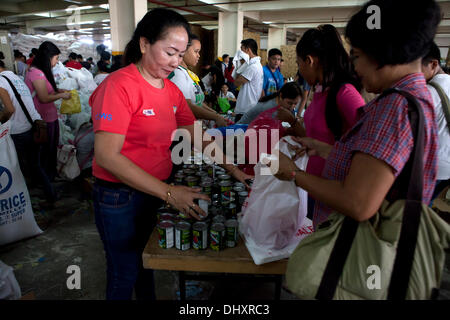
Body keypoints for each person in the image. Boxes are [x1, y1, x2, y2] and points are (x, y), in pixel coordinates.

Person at [89, 8, 252, 300]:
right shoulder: (118, 86)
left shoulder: (169, 89)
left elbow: (197, 135)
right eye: (170, 52)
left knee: (146, 263)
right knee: (123, 271)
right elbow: (107, 156)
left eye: (180, 54)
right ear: (144, 44)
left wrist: (233, 169)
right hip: (120, 197)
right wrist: (169, 193)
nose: (176, 61)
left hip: (153, 191)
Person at [273, 0, 440, 231]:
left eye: (358, 57)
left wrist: (292, 172)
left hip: (360, 247)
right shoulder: (415, 97)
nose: (356, 69)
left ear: (382, 54)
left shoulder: (394, 106)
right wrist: (326, 149)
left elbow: (358, 203)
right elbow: (374, 162)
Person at [294, 24, 366, 219]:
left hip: (335, 190)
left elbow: (366, 148)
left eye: (298, 63)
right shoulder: (319, 91)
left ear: (309, 61)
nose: (299, 70)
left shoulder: (345, 94)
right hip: (317, 185)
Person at [25, 41, 71, 206]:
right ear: (48, 57)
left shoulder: (44, 72)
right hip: (42, 120)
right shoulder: (36, 73)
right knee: (44, 153)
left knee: (51, 151)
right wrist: (61, 97)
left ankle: (49, 179)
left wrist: (59, 91)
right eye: (56, 58)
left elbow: (48, 91)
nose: (57, 61)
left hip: (51, 118)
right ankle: (44, 184)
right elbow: (43, 98)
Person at [169, 33, 228, 127]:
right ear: (183, 51)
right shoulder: (178, 75)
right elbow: (188, 106)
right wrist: (215, 117)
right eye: (196, 51)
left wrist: (216, 114)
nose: (198, 56)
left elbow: (198, 103)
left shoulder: (187, 73)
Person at [0, 59, 42, 182]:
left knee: (19, 167)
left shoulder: (1, 81)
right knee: (34, 165)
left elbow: (9, 110)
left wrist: (1, 121)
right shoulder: (17, 78)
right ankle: (49, 194)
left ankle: (26, 193)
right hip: (30, 126)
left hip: (16, 131)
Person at [421, 42, 450, 203]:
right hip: (447, 164)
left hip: (433, 166)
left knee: (418, 210)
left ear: (433, 64)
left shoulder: (428, 92)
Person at [233, 39, 264, 122]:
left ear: (247, 50)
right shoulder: (256, 65)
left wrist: (240, 64)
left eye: (242, 49)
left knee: (239, 134)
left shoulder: (252, 67)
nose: (240, 53)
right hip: (249, 108)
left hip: (246, 110)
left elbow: (236, 82)